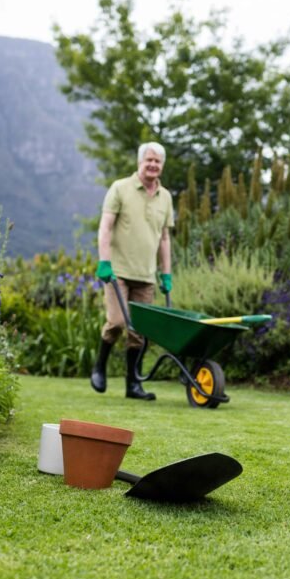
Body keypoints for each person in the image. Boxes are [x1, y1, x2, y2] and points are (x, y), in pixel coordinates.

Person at [92, 142, 174, 401]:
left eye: (157, 161)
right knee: (117, 322)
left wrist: (166, 273)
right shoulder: (120, 188)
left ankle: (133, 385)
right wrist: (104, 261)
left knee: (139, 332)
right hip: (117, 272)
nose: (153, 165)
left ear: (161, 165)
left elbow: (164, 238)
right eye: (149, 160)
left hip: (146, 275)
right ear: (140, 161)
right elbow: (105, 227)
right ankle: (99, 367)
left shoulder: (166, 197)